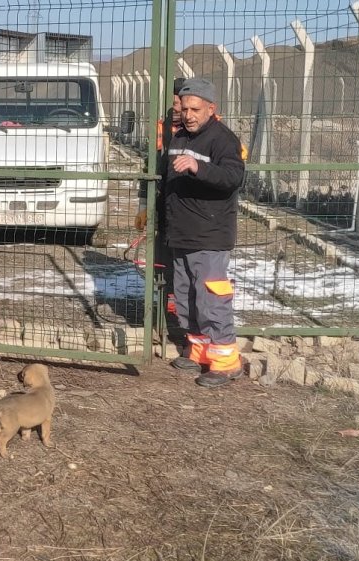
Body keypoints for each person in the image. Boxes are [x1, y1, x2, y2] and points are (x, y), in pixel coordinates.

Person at [164, 78, 246, 388]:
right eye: (184, 109)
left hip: (210, 234)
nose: (188, 115)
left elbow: (234, 176)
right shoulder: (180, 137)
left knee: (212, 299)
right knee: (185, 296)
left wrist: (200, 169)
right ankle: (198, 349)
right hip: (182, 232)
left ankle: (226, 361)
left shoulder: (222, 139)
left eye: (195, 109)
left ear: (211, 108)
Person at [136, 77, 187, 326]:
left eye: (181, 102)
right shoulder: (160, 128)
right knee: (163, 262)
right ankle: (164, 314)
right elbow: (149, 170)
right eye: (174, 102)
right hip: (163, 207)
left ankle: (184, 317)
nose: (176, 107)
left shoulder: (208, 128)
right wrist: (144, 206)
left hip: (191, 211)